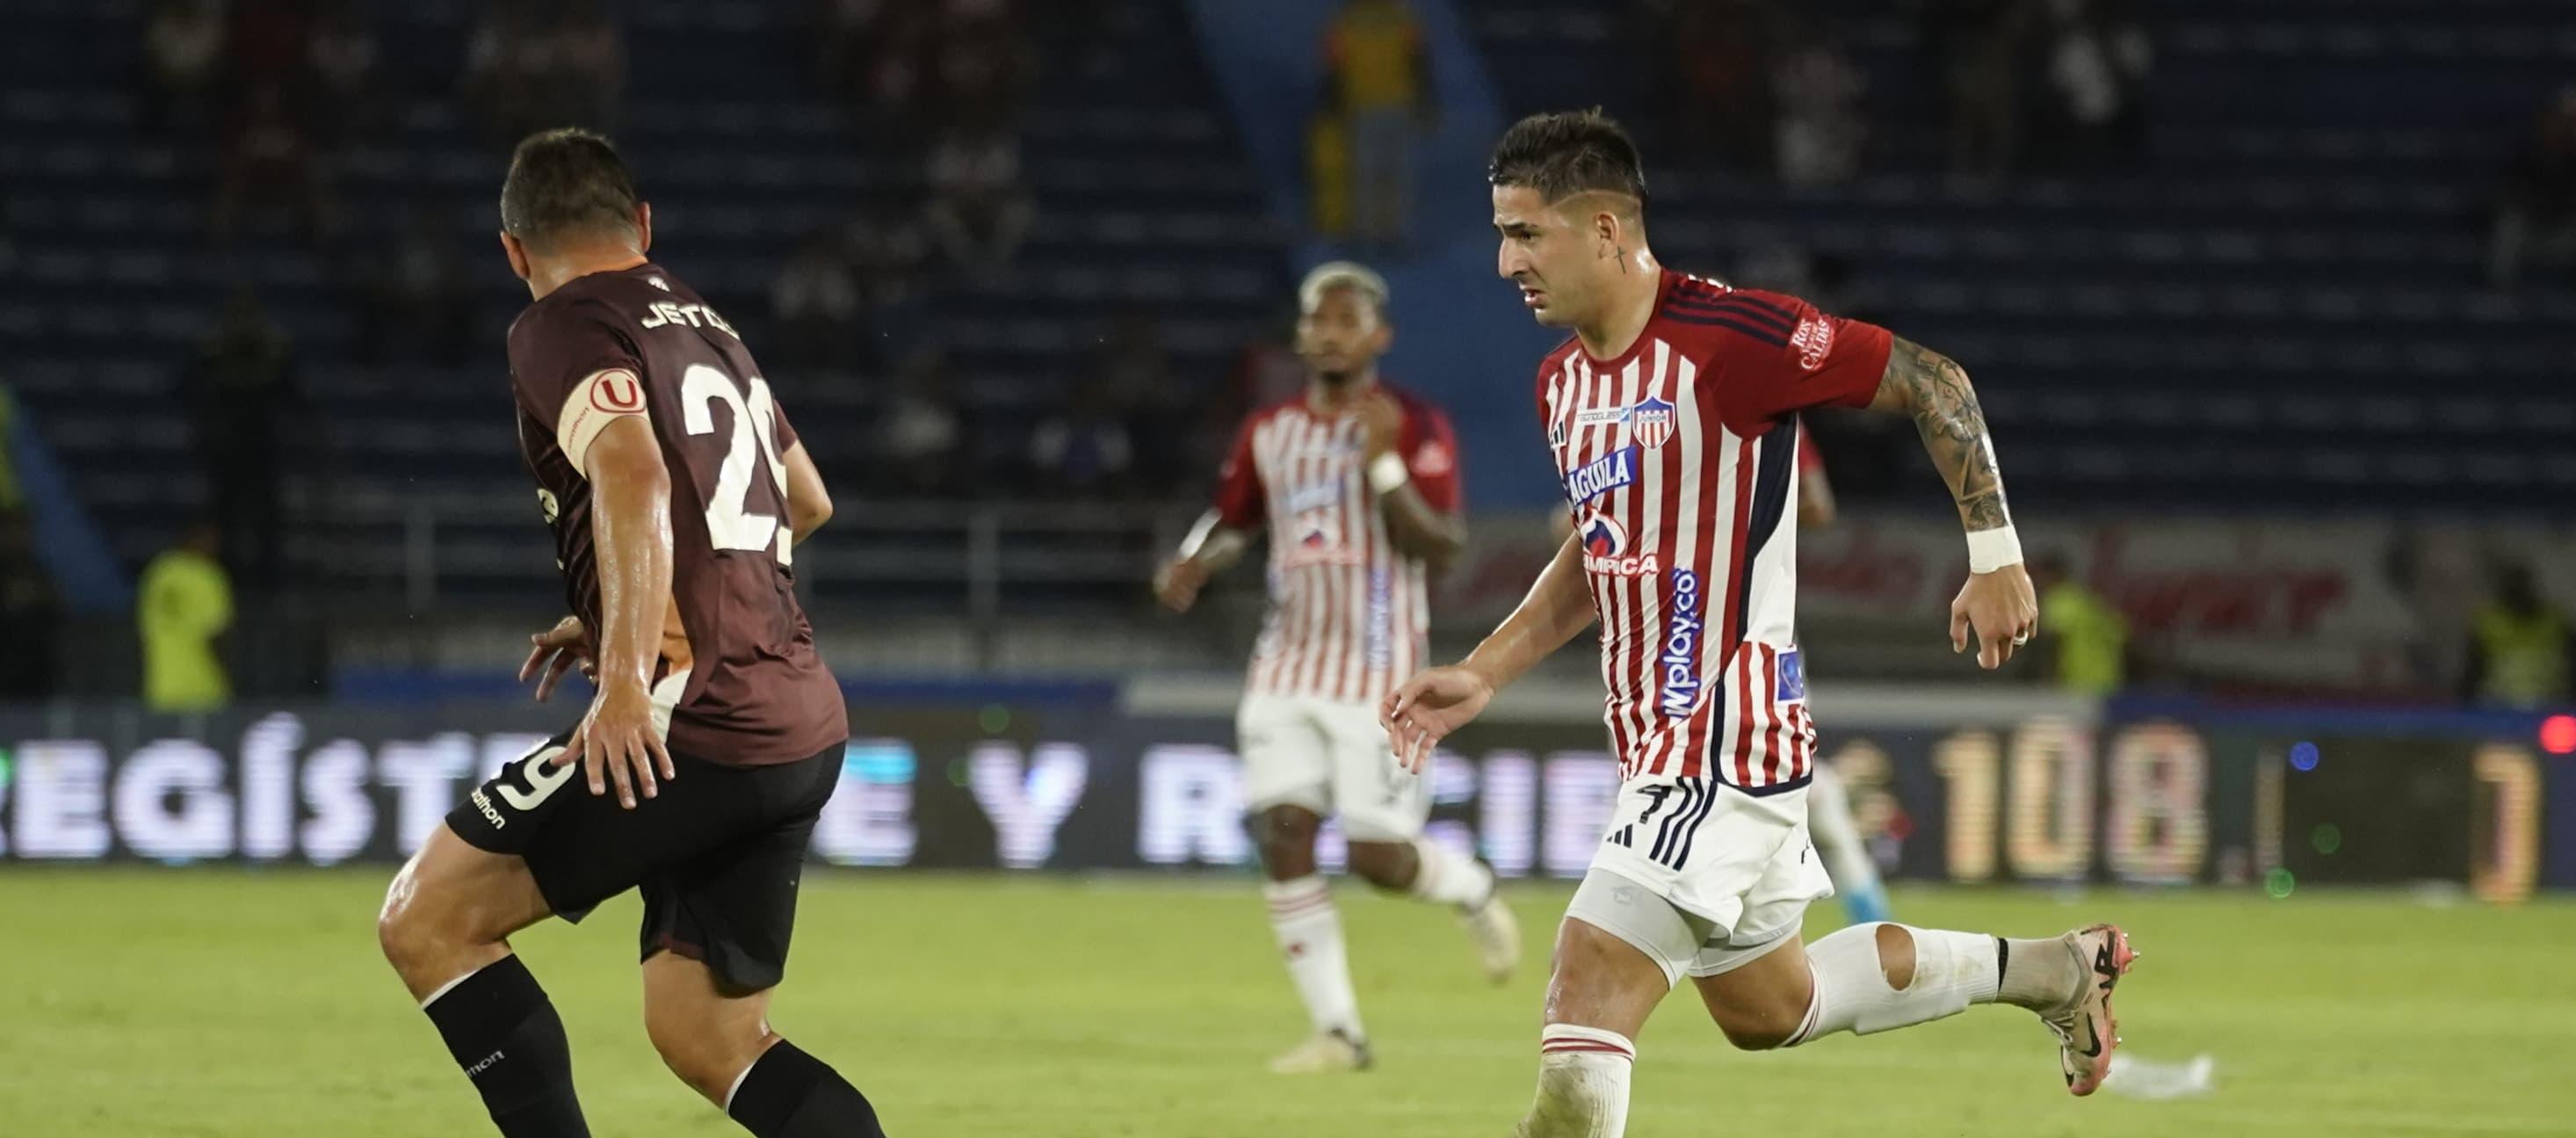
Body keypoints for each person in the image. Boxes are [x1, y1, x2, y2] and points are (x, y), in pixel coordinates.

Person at [1380, 112, 2134, 1135]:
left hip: (1722, 736)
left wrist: (1994, 555)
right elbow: (1600, 550)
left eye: (1527, 233)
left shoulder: (1730, 339)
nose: (1508, 260)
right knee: (1771, 1006)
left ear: (1605, 229)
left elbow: (1932, 381)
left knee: (1586, 987)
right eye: (1504, 234)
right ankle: (2051, 968)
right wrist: (1484, 669)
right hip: (1659, 737)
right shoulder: (1562, 383)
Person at [373, 128, 886, 1138]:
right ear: (643, 226)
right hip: (797, 713)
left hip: (691, 713)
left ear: (513, 249)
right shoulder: (706, 323)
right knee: (712, 1036)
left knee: (428, 919)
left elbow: (637, 474)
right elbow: (806, 498)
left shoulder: (560, 323)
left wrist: (621, 672)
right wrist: (625, 600)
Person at [1154, 262, 1514, 1074]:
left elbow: (1444, 546)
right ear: (1301, 333)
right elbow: (1235, 516)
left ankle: (1470, 887)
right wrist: (1194, 560)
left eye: (1347, 320)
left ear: (1379, 335)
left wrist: (1384, 466)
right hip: (1284, 666)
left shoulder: (1415, 424)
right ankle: (1340, 1032)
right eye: (1318, 319)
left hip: (1379, 675)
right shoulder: (1269, 430)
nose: (1329, 333)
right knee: (1283, 832)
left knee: (1377, 859)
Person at [1321, 0, 1434, 252]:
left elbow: (1332, 65)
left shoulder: (1352, 18)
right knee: (1383, 171)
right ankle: (1382, 236)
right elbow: (1419, 59)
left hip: (1376, 104)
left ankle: (1386, 236)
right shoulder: (1398, 15)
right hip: (1379, 104)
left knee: (1377, 171)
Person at [139, 522, 232, 714]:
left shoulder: (159, 572)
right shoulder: (205, 575)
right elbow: (220, 632)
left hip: (162, 687)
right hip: (204, 686)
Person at [2463, 562, 2574, 709]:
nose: (2517, 591)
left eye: (2521, 585)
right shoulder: (2487, 626)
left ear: (2531, 587)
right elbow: (2472, 673)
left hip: (2550, 708)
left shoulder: (2556, 622)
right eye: (2512, 586)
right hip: (2499, 710)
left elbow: (2572, 667)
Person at [2033, 551, 2127, 696]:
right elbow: (2122, 636)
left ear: (2052, 575)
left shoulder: (2058, 600)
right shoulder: (2087, 600)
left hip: (2076, 683)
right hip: (2108, 681)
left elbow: (2052, 642)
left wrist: (2049, 680)